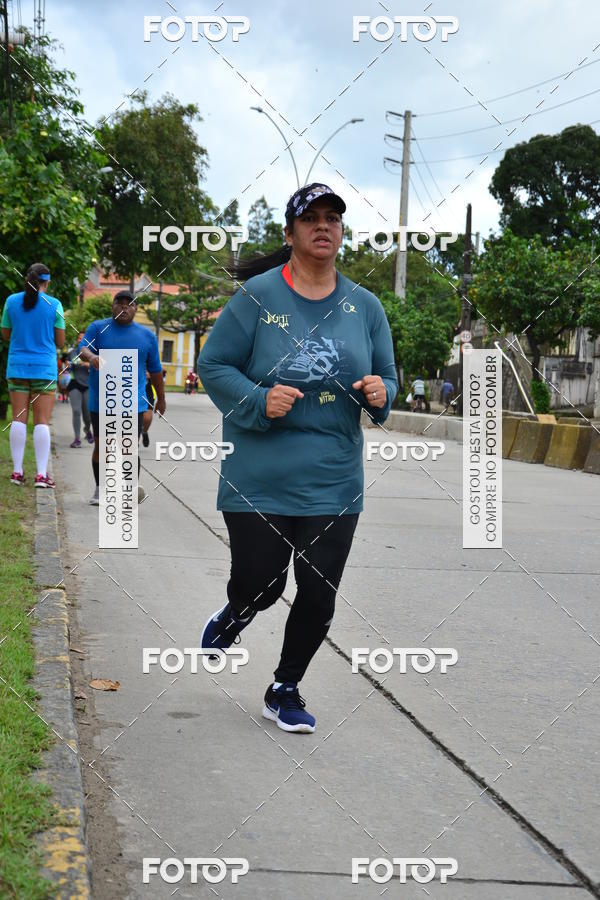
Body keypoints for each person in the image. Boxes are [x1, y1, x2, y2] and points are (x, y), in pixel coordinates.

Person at [198, 183, 398, 733]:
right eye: (311, 219)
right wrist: (258, 400)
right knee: (262, 584)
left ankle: (284, 688)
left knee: (317, 590)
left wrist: (381, 393)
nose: (323, 226)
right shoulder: (257, 297)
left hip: (334, 478)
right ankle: (235, 613)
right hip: (258, 475)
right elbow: (213, 366)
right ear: (290, 234)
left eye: (333, 218)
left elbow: (387, 377)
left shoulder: (364, 306)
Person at [79, 291, 166, 505]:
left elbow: (155, 370)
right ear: (113, 306)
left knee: (128, 448)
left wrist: (161, 399)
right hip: (102, 400)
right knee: (103, 447)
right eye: (120, 303)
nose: (124, 307)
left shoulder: (147, 336)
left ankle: (128, 491)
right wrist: (92, 357)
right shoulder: (98, 328)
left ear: (136, 309)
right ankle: (100, 489)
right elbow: (83, 349)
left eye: (130, 304)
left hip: (132, 402)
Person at [1, 263, 65, 487]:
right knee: (41, 421)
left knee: (18, 418)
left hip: (17, 367)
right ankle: (41, 475)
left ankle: (17, 473)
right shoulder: (54, 305)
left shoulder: (11, 301)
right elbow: (60, 341)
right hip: (44, 369)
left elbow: (5, 334)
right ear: (47, 282)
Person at [67, 332, 93, 448]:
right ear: (77, 341)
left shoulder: (93, 352)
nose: (81, 340)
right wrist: (68, 367)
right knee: (76, 411)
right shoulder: (73, 352)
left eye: (83, 339)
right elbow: (74, 363)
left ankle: (87, 430)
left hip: (88, 386)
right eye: (79, 338)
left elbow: (101, 365)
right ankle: (77, 439)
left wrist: (88, 364)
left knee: (88, 415)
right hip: (75, 384)